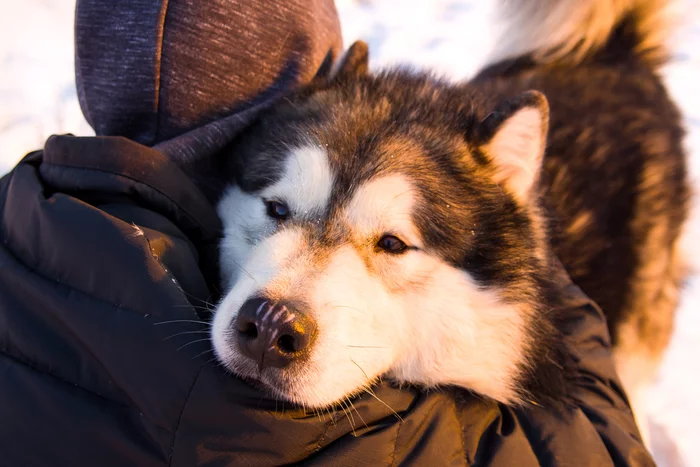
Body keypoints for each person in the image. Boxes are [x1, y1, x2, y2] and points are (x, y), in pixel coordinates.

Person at [0, 0, 654, 465]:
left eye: (389, 243)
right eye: (280, 211)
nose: (281, 309)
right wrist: (534, 255)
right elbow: (605, 446)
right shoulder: (365, 438)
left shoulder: (27, 213)